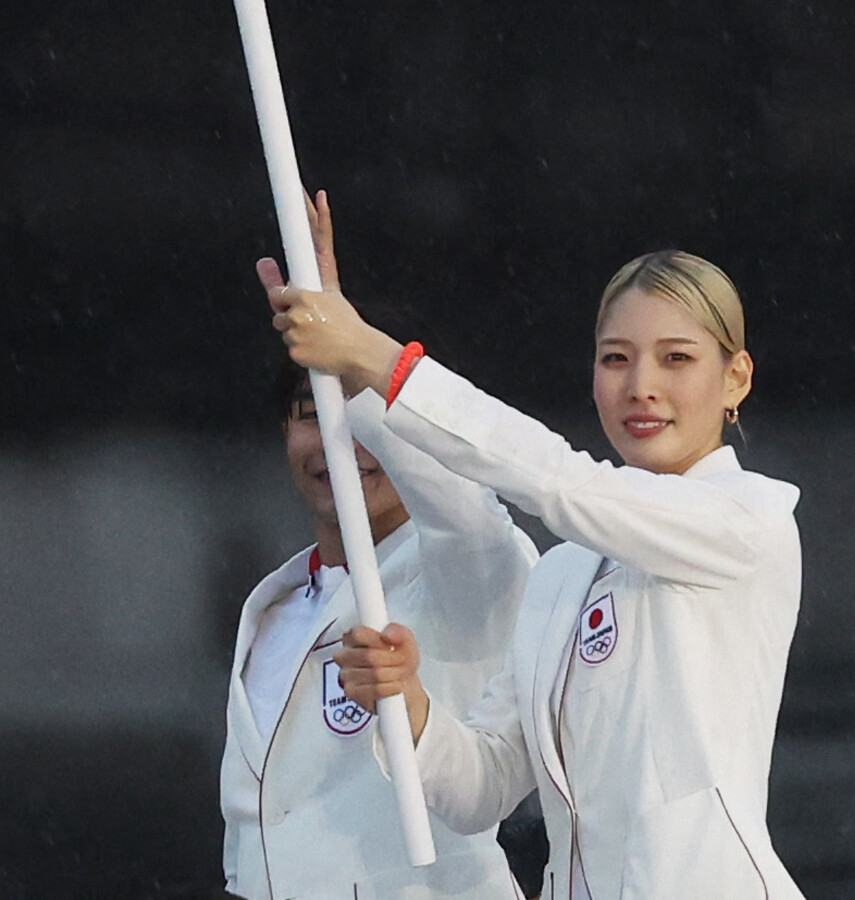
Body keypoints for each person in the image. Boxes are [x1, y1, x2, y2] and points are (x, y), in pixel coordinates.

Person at [260, 192, 805, 899]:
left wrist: (370, 355)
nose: (641, 386)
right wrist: (408, 700)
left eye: (676, 359)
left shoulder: (748, 520)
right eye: (616, 359)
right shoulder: (565, 574)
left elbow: (558, 482)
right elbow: (483, 785)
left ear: (736, 377)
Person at [221, 198, 540, 899]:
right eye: (313, 414)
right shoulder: (274, 609)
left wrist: (355, 351)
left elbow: (468, 512)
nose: (339, 443)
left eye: (359, 412)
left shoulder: (466, 572)